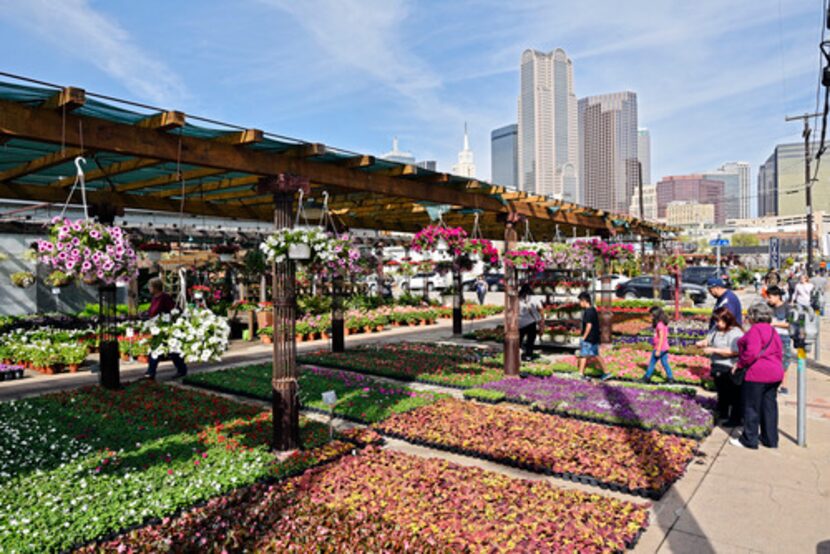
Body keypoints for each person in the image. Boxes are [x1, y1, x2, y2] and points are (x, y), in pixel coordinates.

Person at [730, 302, 784, 450]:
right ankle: (770, 439)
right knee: (769, 406)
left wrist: (740, 365)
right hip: (775, 373)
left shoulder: (755, 330)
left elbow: (751, 353)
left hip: (758, 373)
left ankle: (749, 439)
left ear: (753, 316)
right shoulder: (773, 331)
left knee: (751, 407)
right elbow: (780, 352)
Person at [697, 307, 744, 425]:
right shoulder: (715, 329)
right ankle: (722, 413)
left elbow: (735, 351)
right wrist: (703, 343)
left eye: (720, 321)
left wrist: (714, 350)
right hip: (717, 366)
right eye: (716, 321)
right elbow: (709, 339)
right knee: (722, 392)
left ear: (727, 320)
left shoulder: (735, 332)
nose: (718, 324)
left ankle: (735, 419)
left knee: (733, 395)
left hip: (729, 367)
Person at [145, 278, 188, 380]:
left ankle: (151, 372)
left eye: (150, 287)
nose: (149, 289)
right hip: (157, 328)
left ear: (155, 287)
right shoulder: (155, 298)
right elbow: (152, 311)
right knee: (165, 351)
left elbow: (174, 311)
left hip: (165, 328)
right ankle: (151, 372)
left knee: (164, 350)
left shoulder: (164, 297)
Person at [577, 291, 611, 381]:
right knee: (595, 355)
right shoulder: (593, 310)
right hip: (595, 337)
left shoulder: (588, 312)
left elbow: (589, 325)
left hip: (589, 338)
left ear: (584, 301)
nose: (579, 304)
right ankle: (606, 372)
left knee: (583, 355)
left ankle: (580, 374)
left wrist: (584, 337)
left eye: (580, 301)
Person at [766, 286, 792, 395]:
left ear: (777, 296)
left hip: (783, 338)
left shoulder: (788, 308)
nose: (769, 299)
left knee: (784, 363)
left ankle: (783, 385)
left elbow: (790, 324)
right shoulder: (768, 307)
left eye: (770, 297)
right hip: (769, 338)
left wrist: (775, 324)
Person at [642, 306, 674, 384]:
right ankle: (670, 378)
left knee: (652, 363)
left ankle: (647, 378)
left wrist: (658, 350)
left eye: (651, 315)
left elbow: (662, 338)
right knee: (665, 363)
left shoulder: (659, 325)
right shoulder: (663, 323)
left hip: (659, 348)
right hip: (665, 347)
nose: (650, 317)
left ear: (655, 315)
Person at [518, 284, 543, 361]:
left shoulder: (518, 298)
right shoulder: (535, 298)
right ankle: (529, 356)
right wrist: (542, 322)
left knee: (519, 340)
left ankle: (517, 355)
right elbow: (541, 309)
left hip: (520, 323)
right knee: (530, 340)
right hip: (531, 322)